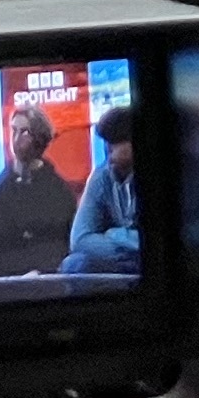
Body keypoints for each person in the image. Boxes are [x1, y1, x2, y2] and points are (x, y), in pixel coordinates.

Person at [0, 102, 83, 276]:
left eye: (24, 132)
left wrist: (40, 271)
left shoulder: (59, 190)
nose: (16, 138)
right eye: (14, 130)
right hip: (5, 278)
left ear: (39, 139)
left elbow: (62, 243)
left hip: (47, 277)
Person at [62, 105, 141, 278]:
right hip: (121, 258)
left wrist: (115, 234)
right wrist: (126, 242)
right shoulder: (101, 177)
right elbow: (80, 239)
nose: (108, 148)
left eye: (117, 141)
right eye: (107, 141)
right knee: (74, 264)